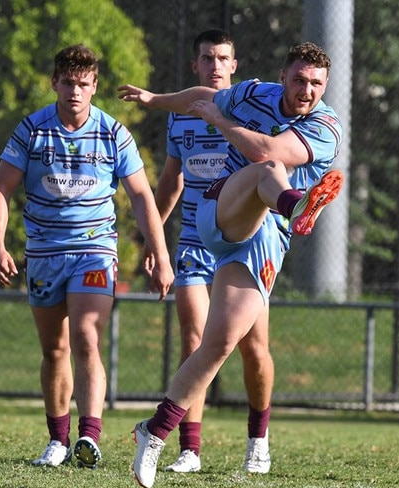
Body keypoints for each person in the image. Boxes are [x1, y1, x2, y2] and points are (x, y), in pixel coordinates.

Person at [118, 40, 344, 488]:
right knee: (265, 174)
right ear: (282, 77)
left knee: (220, 342)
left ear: (326, 86)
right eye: (299, 80)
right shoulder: (252, 93)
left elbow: (267, 147)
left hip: (263, 242)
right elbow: (200, 99)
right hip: (220, 208)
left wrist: (220, 122)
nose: (306, 90)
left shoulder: (326, 126)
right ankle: (297, 204)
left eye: (316, 83)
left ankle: (154, 432)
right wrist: (154, 99)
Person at [0, 44, 174, 470]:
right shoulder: (32, 131)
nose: (75, 91)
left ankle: (89, 436)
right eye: (68, 83)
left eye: (84, 84)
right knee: (54, 349)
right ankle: (57, 439)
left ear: (95, 87)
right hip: (44, 254)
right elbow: (1, 189)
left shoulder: (113, 133)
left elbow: (143, 195)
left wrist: (161, 255)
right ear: (55, 82)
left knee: (86, 335)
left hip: (94, 250)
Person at [144, 28, 275, 474]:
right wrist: (153, 237)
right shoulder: (179, 116)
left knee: (254, 347)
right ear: (195, 66)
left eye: (223, 58)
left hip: (244, 241)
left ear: (235, 66)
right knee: (194, 339)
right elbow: (171, 180)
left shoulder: (252, 110)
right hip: (195, 244)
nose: (215, 65)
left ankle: (258, 439)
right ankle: (189, 449)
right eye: (207, 58)